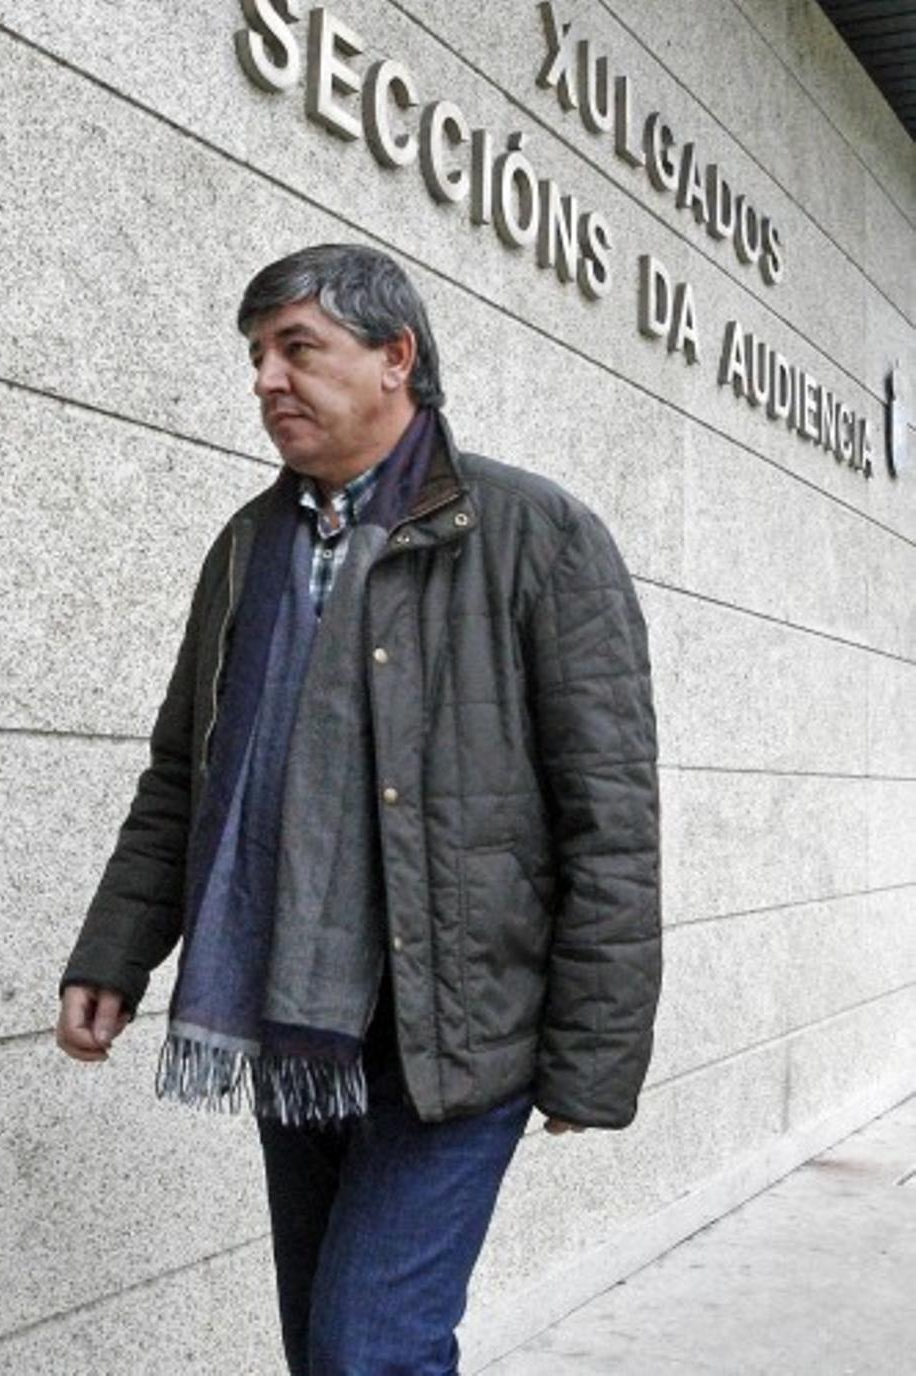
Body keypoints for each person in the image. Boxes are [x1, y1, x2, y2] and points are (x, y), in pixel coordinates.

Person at [56, 243, 662, 1375]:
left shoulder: (536, 536)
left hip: (462, 1031)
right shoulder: (251, 548)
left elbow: (610, 818)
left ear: (397, 356)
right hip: (298, 1018)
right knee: (323, 1347)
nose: (266, 379)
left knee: (366, 1349)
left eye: (298, 348)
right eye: (256, 354)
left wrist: (594, 1052)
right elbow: (183, 775)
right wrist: (114, 953)